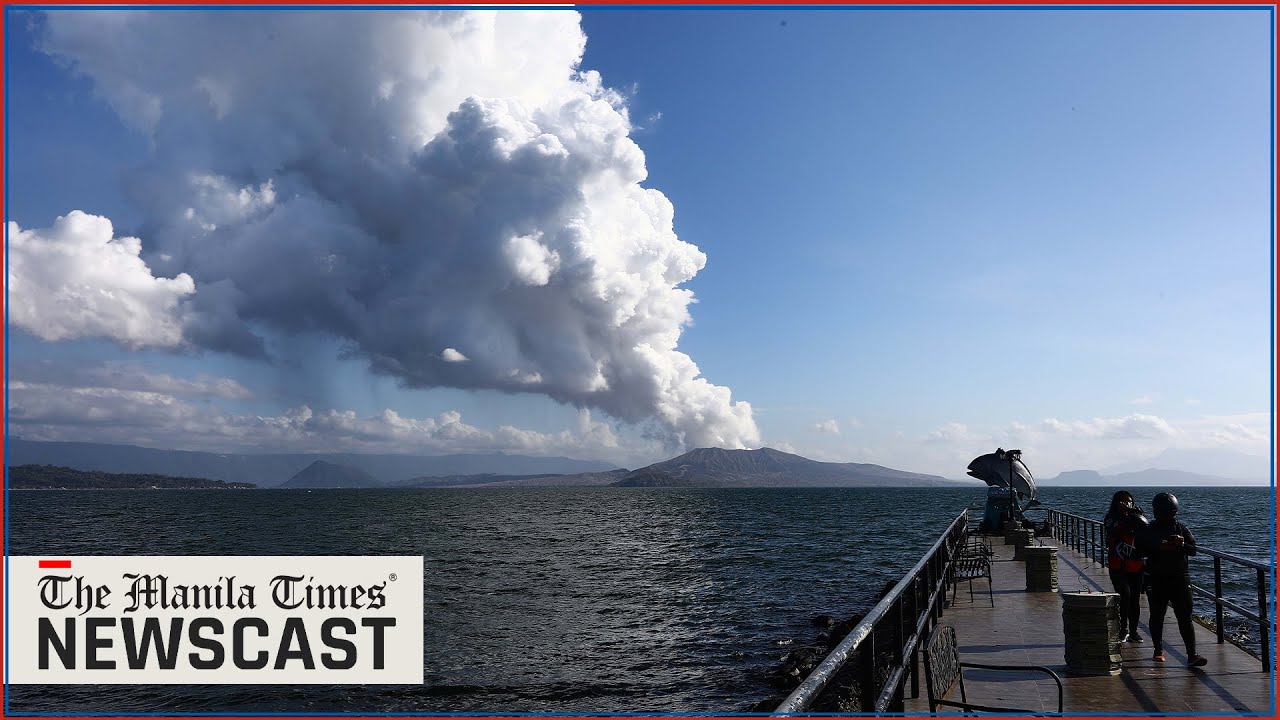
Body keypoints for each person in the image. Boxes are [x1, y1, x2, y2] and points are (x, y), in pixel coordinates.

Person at [1137, 492, 1206, 667]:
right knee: (1157, 615)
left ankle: (1192, 654)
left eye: (1171, 513)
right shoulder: (1150, 529)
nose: (1169, 516)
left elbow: (1193, 550)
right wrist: (1159, 547)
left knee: (1185, 617)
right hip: (1157, 578)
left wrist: (1181, 544)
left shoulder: (1181, 529)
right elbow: (1139, 549)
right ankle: (1158, 649)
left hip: (1179, 578)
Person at [1103, 491, 1146, 643]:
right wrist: (1126, 518)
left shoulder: (1136, 517)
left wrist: (1138, 516)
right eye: (1121, 502)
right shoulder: (1111, 519)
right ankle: (1123, 629)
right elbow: (1112, 532)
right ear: (1115, 503)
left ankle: (1133, 631)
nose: (1125, 504)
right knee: (1124, 595)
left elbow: (1145, 531)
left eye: (1128, 502)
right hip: (1118, 565)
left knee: (1135, 599)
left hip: (1136, 564)